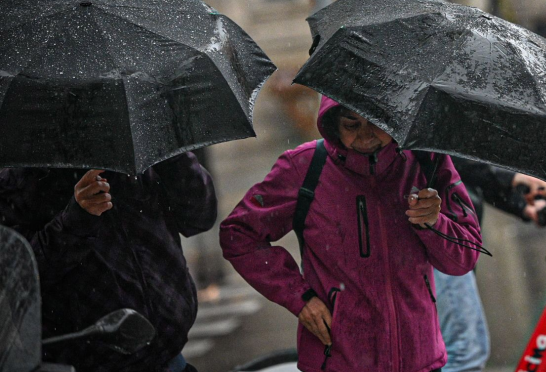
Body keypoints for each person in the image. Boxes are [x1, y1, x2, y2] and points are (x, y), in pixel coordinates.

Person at [219, 97, 481, 372]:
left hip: (420, 360)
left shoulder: (426, 160)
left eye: (376, 123)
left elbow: (464, 258)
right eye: (351, 124)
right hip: (338, 361)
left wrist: (434, 222)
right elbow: (239, 234)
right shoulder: (304, 167)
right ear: (334, 124)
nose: (365, 136)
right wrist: (300, 298)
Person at [394, 0, 546, 372]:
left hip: (441, 238)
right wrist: (512, 179)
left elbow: (457, 174)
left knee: (454, 353)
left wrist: (520, 203)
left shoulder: (418, 90)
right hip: (428, 240)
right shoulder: (406, 95)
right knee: (463, 355)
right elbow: (449, 159)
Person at [0, 152, 216, 372]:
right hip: (93, 362)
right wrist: (76, 220)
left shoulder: (139, 150)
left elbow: (201, 217)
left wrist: (172, 158)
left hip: (173, 360)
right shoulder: (18, 179)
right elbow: (20, 278)